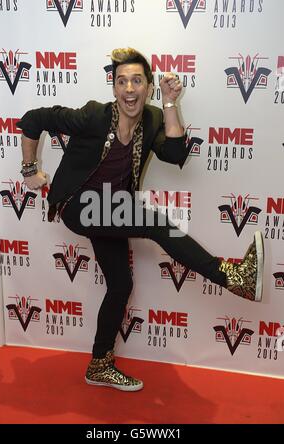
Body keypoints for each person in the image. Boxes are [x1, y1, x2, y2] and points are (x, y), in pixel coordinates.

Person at [17, 48, 264, 392]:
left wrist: (170, 102)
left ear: (148, 87)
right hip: (78, 205)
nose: (129, 89)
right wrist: (30, 169)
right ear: (114, 87)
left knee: (121, 285)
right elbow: (32, 120)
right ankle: (233, 276)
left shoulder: (151, 117)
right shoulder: (92, 116)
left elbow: (176, 154)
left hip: (111, 208)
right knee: (155, 224)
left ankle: (99, 365)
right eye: (122, 82)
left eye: (137, 81)